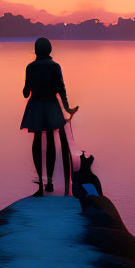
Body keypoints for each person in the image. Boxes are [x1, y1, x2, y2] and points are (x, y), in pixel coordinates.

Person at [20, 37, 78, 196]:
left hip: (36, 106)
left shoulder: (30, 67)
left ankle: (40, 184)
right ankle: (50, 182)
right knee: (51, 141)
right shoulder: (55, 67)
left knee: (37, 141)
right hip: (52, 106)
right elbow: (62, 89)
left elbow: (26, 93)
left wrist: (30, 85)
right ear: (50, 50)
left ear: (36, 50)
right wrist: (67, 108)